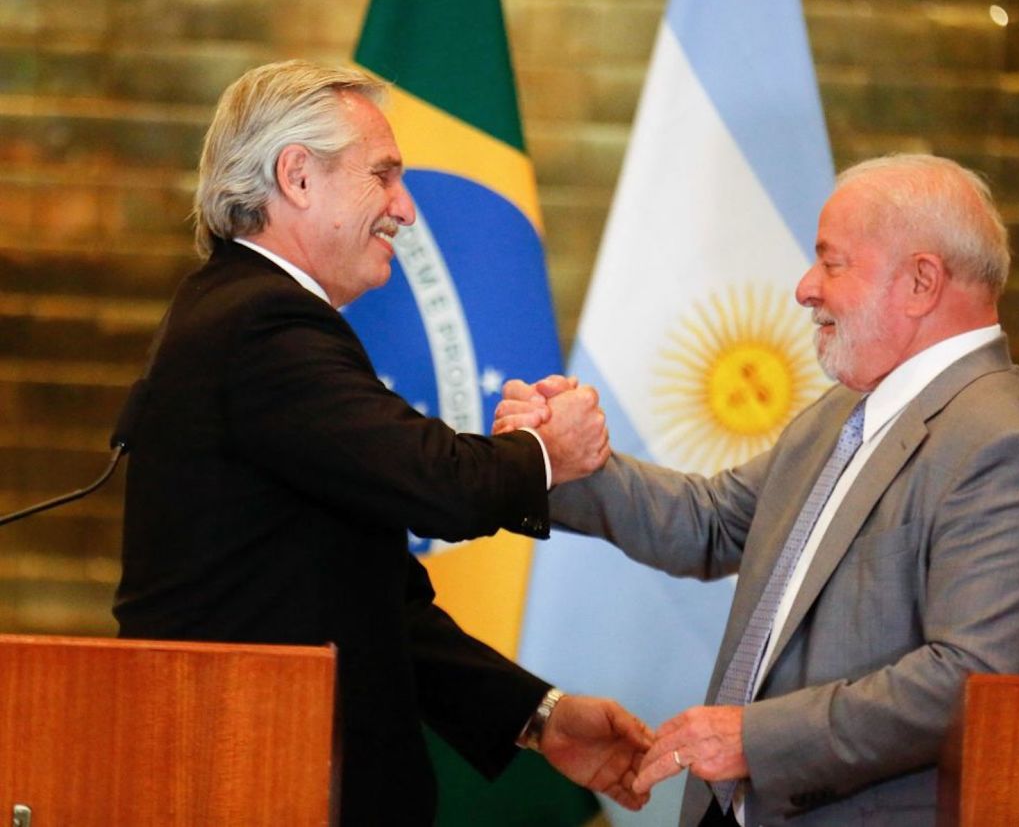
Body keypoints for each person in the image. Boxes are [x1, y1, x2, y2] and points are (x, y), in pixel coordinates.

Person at [113, 60, 653, 826]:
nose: (405, 206)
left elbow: (370, 597)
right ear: (297, 176)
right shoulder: (263, 324)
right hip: (256, 783)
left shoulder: (245, 311)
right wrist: (547, 450)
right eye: (384, 174)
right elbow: (436, 483)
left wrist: (540, 716)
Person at [496, 155, 1019, 826]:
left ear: (921, 281)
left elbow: (969, 681)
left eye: (833, 263)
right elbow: (711, 521)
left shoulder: (1005, 445)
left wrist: (754, 738)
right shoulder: (844, 412)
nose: (806, 288)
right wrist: (560, 460)